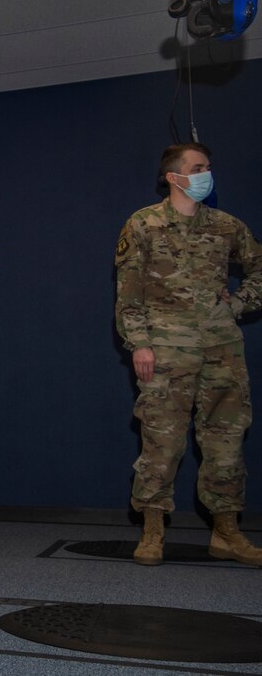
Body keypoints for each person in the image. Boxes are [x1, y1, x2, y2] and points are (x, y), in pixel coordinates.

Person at [115, 142, 262, 567]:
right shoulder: (143, 224)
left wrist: (236, 305)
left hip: (221, 350)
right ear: (173, 176)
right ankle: (153, 530)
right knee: (161, 442)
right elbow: (128, 292)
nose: (205, 174)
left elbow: (258, 268)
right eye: (197, 168)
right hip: (165, 349)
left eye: (208, 167)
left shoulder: (226, 226)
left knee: (226, 442)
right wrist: (138, 342)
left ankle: (227, 532)